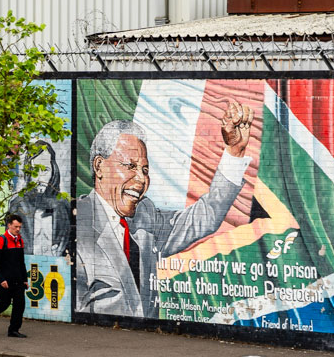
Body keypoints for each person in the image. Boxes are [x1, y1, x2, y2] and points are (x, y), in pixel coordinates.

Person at [75, 104, 253, 319]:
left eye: (145, 170)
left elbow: (204, 217)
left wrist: (235, 152)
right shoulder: (75, 222)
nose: (141, 179)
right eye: (130, 166)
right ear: (99, 166)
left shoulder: (145, 216)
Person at [0, 215, 29, 337]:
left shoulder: (20, 240)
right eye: (16, 226)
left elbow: (21, 262)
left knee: (20, 304)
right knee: (4, 303)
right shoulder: (1, 240)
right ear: (9, 225)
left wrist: (25, 279)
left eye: (19, 227)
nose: (18, 229)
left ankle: (13, 330)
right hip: (5, 280)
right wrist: (1, 279)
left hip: (18, 280)